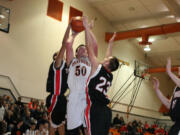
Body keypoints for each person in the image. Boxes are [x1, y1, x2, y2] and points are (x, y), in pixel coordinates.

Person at [83, 16, 119, 135]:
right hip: (106, 111)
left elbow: (89, 46)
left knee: (88, 131)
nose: (106, 56)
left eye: (107, 58)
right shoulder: (110, 75)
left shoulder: (96, 66)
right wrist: (111, 43)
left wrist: (86, 28)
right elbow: (109, 55)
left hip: (95, 107)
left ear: (107, 62)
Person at [65, 18, 97, 135]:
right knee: (72, 130)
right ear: (77, 52)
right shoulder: (72, 61)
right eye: (81, 48)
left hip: (86, 95)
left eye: (86, 49)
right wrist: (74, 33)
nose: (84, 49)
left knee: (87, 128)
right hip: (73, 96)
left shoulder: (91, 60)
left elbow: (94, 45)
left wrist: (88, 29)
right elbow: (68, 45)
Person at [46, 22, 70, 135]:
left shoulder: (66, 66)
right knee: (52, 124)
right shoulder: (57, 64)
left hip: (62, 98)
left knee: (61, 124)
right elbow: (64, 44)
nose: (60, 55)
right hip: (54, 98)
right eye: (58, 54)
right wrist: (69, 27)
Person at [152, 58, 180, 135]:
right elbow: (168, 104)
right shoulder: (176, 88)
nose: (178, 68)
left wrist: (169, 72)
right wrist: (157, 90)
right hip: (176, 124)